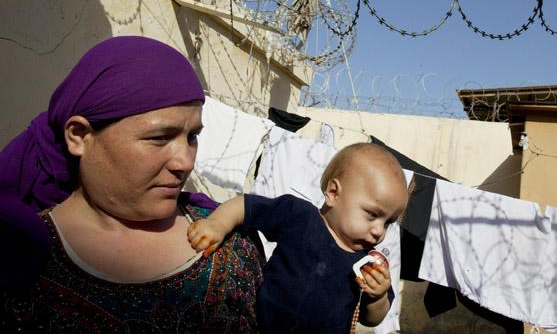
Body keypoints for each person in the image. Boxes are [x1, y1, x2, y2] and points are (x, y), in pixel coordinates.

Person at [0, 36, 263, 332]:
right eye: (159, 138)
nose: (186, 162)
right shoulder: (16, 259)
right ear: (79, 136)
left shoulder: (231, 244)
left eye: (192, 137)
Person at [187, 142, 409, 333]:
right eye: (372, 215)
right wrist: (217, 224)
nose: (379, 231)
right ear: (333, 193)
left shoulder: (367, 263)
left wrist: (377, 297)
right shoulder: (299, 216)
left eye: (388, 223)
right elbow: (247, 206)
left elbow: (371, 319)